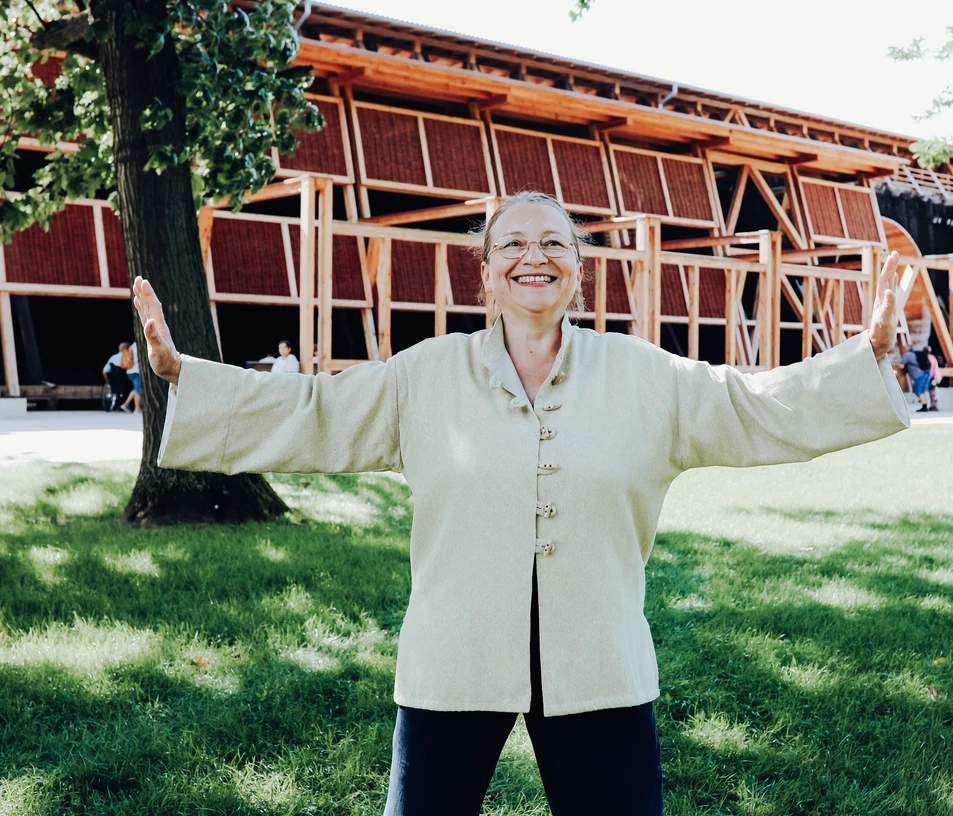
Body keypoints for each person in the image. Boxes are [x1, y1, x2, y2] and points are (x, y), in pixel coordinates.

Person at [132, 191, 909, 816]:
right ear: (486, 270)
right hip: (451, 657)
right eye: (512, 243)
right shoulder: (424, 375)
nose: (533, 256)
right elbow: (315, 412)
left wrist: (864, 355)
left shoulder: (647, 378)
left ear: (578, 269)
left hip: (599, 661)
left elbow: (755, 405)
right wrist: (183, 376)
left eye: (553, 243)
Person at [101, 342, 134, 411]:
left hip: (114, 381)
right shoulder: (130, 357)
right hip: (126, 381)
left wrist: (108, 380)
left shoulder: (113, 357)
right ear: (128, 348)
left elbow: (104, 371)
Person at [900, 346, 931, 411]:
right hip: (926, 372)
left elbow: (901, 365)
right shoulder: (916, 353)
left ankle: (924, 406)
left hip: (918, 374)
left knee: (918, 390)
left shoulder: (907, 355)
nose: (903, 348)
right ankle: (926, 406)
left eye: (904, 347)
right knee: (924, 389)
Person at [926, 345, 942, 412]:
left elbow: (930, 368)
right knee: (933, 391)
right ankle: (933, 405)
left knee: (932, 392)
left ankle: (934, 406)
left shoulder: (928, 358)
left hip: (932, 377)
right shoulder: (933, 357)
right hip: (935, 376)